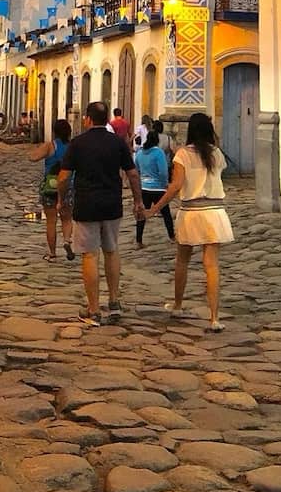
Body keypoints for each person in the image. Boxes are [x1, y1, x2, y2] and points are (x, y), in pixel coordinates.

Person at [57, 101, 144, 326]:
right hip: (112, 204)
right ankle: (114, 301)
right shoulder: (117, 143)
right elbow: (133, 174)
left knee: (90, 255)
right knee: (112, 251)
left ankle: (94, 309)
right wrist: (138, 201)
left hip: (86, 205)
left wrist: (61, 200)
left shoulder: (77, 144)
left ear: (87, 119)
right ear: (107, 120)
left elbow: (64, 177)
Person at [145, 112, 233, 332]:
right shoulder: (216, 154)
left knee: (182, 261)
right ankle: (214, 317)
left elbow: (175, 186)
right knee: (212, 266)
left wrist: (155, 208)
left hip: (191, 212)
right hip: (214, 212)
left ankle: (177, 305)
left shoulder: (182, 155)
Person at [31, 119, 75, 261]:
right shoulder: (73, 147)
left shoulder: (50, 146)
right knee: (67, 218)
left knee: (51, 221)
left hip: (50, 187)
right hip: (68, 185)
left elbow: (33, 157)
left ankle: (52, 253)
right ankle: (67, 240)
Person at [135, 129, 174, 247]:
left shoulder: (140, 153)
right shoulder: (158, 153)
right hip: (158, 188)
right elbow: (162, 171)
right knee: (166, 213)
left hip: (144, 187)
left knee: (142, 215)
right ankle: (172, 236)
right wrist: (165, 184)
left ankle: (139, 240)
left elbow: (136, 168)